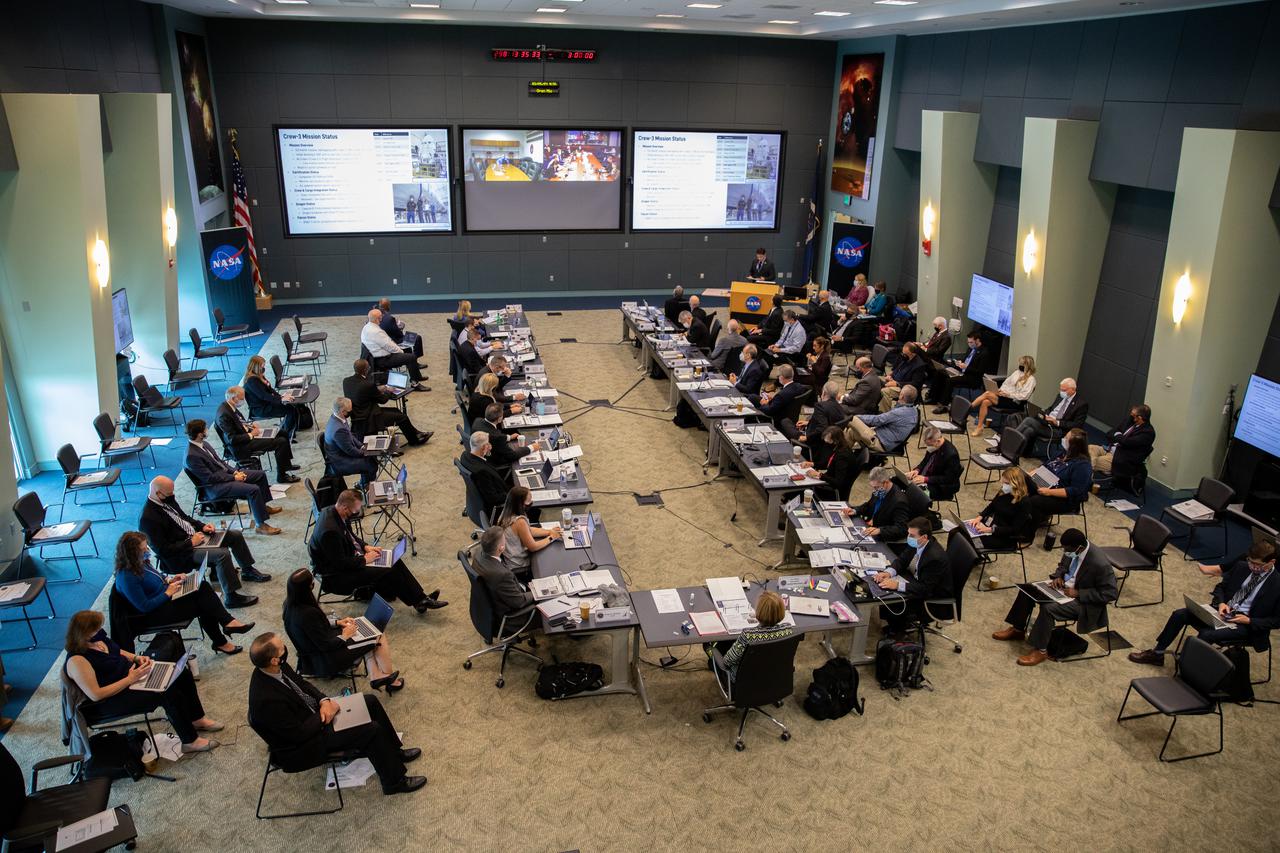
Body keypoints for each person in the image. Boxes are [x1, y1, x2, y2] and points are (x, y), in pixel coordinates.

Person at [248, 633, 425, 795]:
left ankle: (395, 751)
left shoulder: (278, 666)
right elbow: (297, 734)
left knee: (369, 701)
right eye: (282, 648)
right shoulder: (266, 700)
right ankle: (394, 782)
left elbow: (303, 685)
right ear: (273, 661)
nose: (285, 649)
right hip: (303, 745)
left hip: (314, 716)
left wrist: (324, 701)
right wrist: (324, 715)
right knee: (371, 730)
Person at [65, 611, 221, 753]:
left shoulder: (97, 639)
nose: (100, 631)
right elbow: (96, 695)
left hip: (131, 678)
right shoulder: (77, 661)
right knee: (166, 691)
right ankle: (189, 741)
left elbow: (116, 650)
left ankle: (196, 719)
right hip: (109, 699)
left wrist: (135, 657)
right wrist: (130, 679)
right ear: (83, 634)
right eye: (96, 629)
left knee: (182, 675)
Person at [1128, 541, 1279, 666]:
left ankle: (1187, 668)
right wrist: (1221, 603)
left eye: (1257, 564)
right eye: (1250, 561)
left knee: (1206, 634)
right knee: (1180, 614)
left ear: (1271, 562)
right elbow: (1221, 587)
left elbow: (1277, 621)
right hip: (1224, 611)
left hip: (1247, 625)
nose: (1252, 566)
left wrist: (1249, 620)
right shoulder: (1241, 566)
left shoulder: (1277, 584)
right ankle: (1157, 653)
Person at [992, 528, 1118, 666]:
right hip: (1063, 589)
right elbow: (1063, 566)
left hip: (1084, 602)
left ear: (1079, 548)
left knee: (1048, 609)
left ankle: (1041, 651)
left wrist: (1079, 593)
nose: (1065, 552)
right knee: (1027, 590)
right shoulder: (1073, 548)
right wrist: (1058, 576)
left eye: (1067, 550)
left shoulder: (1100, 564)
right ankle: (1017, 629)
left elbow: (1110, 593)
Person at [113, 530, 254, 654]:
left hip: (165, 597)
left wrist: (170, 579)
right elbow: (144, 606)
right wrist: (167, 593)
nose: (147, 552)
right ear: (132, 554)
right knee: (203, 603)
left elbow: (156, 576)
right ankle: (225, 633)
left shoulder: (140, 562)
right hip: (153, 613)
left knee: (203, 588)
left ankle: (225, 631)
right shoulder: (127, 577)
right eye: (143, 550)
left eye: (146, 548)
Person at [308, 490, 444, 613]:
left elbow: (351, 536)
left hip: (347, 559)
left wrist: (366, 547)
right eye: (355, 510)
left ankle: (420, 599)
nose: (357, 512)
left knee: (393, 559)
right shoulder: (329, 532)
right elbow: (340, 564)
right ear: (344, 507)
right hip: (335, 576)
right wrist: (366, 559)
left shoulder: (334, 511)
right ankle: (419, 601)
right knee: (388, 567)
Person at [139, 476, 267, 603]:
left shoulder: (166, 499)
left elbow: (185, 518)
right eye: (169, 493)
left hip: (195, 538)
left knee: (234, 535)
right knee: (221, 554)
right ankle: (231, 597)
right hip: (181, 554)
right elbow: (163, 550)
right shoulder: (148, 518)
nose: (172, 495)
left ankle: (247, 570)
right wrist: (191, 543)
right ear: (158, 493)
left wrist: (202, 526)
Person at [283, 569, 402, 691]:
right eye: (312, 584)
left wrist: (338, 622)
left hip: (314, 656)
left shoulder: (289, 604)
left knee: (365, 633)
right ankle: (389, 680)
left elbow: (314, 628)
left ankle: (376, 676)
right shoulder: (308, 614)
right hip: (329, 657)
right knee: (378, 635)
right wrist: (345, 635)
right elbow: (325, 645)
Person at [184, 419, 281, 534]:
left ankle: (262, 508)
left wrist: (234, 472)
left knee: (260, 475)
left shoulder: (203, 444)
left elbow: (220, 462)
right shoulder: (191, 456)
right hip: (214, 487)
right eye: (205, 429)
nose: (207, 430)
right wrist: (234, 478)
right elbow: (209, 478)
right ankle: (261, 525)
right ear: (200, 434)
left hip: (224, 477)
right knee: (253, 490)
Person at [873, 516, 953, 634]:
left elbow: (925, 589)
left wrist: (897, 585)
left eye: (912, 535)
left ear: (924, 537)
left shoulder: (934, 558)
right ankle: (895, 625)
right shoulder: (918, 543)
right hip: (919, 581)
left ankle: (898, 629)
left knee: (892, 598)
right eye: (908, 534)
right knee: (887, 590)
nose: (908, 538)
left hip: (933, 597)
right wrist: (888, 572)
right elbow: (902, 560)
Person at [215, 387, 299, 484]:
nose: (244, 401)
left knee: (282, 433)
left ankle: (286, 465)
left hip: (246, 435)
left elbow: (239, 423)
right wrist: (251, 434)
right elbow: (232, 439)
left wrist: (250, 426)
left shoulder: (229, 406)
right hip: (241, 446)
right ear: (234, 399)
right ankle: (282, 476)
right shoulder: (224, 415)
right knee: (281, 442)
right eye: (242, 399)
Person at [342, 359, 431, 445]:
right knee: (402, 417)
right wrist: (389, 390)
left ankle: (416, 434)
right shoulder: (368, 385)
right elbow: (383, 400)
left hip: (357, 416)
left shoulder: (346, 381)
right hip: (370, 418)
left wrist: (377, 389)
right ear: (366, 370)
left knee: (396, 411)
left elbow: (361, 391)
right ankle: (414, 440)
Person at [711, 591, 792, 677]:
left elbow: (727, 662)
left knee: (712, 646)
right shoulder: (788, 629)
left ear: (758, 612)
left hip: (745, 679)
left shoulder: (748, 635)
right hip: (775, 674)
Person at [1024, 428, 1092, 528]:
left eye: (1066, 438)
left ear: (1074, 446)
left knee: (1034, 501)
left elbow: (1075, 490)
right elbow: (1044, 466)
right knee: (1017, 481)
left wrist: (1049, 492)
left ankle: (1027, 532)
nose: (1063, 439)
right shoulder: (1062, 453)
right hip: (1046, 484)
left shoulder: (1082, 465)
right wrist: (1029, 475)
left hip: (1063, 499)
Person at [967, 468, 1037, 550]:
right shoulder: (1004, 492)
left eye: (1007, 483)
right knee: (957, 532)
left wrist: (990, 530)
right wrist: (979, 518)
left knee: (970, 542)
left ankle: (973, 559)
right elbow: (992, 506)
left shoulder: (1024, 503)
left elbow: (1014, 529)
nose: (1004, 486)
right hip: (990, 526)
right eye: (1003, 482)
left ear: (1016, 484)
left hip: (1005, 537)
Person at [472, 526, 535, 616]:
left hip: (501, 596)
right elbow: (519, 602)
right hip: (513, 613)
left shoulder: (478, 554)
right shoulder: (502, 575)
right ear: (501, 548)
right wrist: (537, 592)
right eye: (505, 541)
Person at [968, 355, 1037, 435]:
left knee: (987, 394)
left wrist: (1008, 395)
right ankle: (979, 427)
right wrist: (1001, 390)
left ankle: (968, 408)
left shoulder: (1031, 379)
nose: (1019, 365)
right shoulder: (1016, 373)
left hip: (1015, 402)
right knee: (985, 402)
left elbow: (1024, 396)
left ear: (1027, 365)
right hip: (1005, 398)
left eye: (1021, 364)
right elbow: (1006, 384)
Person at [496, 487, 557, 577]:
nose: (531, 503)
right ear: (521, 504)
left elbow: (528, 530)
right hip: (520, 566)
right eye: (529, 502)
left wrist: (549, 532)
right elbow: (533, 547)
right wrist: (552, 538)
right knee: (552, 559)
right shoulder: (519, 522)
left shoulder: (506, 513)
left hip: (509, 560)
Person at [1014, 378, 1088, 451]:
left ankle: (1009, 442)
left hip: (1058, 430)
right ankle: (1021, 452)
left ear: (1073, 389)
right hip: (1047, 422)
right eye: (1061, 389)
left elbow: (1077, 425)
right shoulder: (1060, 396)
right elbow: (1051, 409)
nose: (1061, 392)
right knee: (1029, 430)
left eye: (1064, 390)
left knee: (1028, 421)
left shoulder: (1081, 404)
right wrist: (1044, 414)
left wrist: (1057, 422)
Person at [362, 309, 428, 390]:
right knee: (411, 357)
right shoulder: (376, 332)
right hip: (383, 359)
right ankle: (415, 383)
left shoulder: (366, 327)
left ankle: (417, 377)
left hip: (374, 357)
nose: (382, 318)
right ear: (377, 319)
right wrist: (401, 352)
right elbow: (389, 346)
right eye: (380, 317)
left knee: (408, 352)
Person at [242, 355, 302, 442]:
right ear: (256, 367)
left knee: (290, 405)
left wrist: (282, 397)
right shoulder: (252, 381)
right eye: (262, 366)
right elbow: (263, 396)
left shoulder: (258, 376)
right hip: (260, 409)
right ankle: (286, 435)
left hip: (267, 403)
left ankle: (287, 429)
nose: (263, 368)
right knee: (290, 410)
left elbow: (270, 390)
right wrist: (280, 400)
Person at [1089, 404, 1155, 479]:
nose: (1131, 416)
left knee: (1090, 461)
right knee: (1089, 448)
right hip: (1110, 449)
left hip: (1120, 459)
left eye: (1133, 415)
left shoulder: (1148, 433)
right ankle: (1088, 476)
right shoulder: (1130, 421)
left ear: (1139, 418)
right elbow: (1110, 433)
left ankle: (1086, 479)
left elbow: (1126, 442)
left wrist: (1117, 435)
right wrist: (1119, 436)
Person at [846, 386, 918, 453]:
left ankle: (842, 455)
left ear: (901, 396)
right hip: (888, 440)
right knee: (852, 430)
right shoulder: (914, 411)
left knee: (851, 420)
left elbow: (877, 420)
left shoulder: (899, 412)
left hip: (881, 443)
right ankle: (843, 454)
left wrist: (857, 417)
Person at [799, 426, 864, 501]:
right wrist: (812, 464)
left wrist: (819, 475)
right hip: (828, 478)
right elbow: (831, 463)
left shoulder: (842, 457)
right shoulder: (841, 447)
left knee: (801, 489)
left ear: (835, 441)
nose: (826, 443)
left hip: (832, 488)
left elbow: (838, 482)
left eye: (828, 441)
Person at [847, 466, 911, 542]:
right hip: (870, 527)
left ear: (886, 482)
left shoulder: (899, 501)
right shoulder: (880, 490)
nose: (874, 490)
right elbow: (869, 506)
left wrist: (880, 530)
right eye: (873, 487)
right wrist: (855, 510)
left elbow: (902, 529)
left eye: (876, 487)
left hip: (882, 536)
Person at [929, 330, 987, 413]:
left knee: (950, 381)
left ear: (977, 340)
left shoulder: (984, 353)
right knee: (940, 372)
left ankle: (944, 405)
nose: (969, 344)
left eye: (971, 342)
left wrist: (966, 367)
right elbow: (965, 360)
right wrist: (959, 363)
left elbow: (979, 372)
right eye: (968, 342)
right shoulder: (970, 349)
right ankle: (933, 398)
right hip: (962, 371)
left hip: (972, 378)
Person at [324, 398, 378, 487]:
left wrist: (362, 447)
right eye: (349, 410)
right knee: (371, 463)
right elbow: (350, 450)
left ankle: (364, 484)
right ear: (342, 411)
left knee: (370, 457)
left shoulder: (337, 418)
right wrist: (366, 453)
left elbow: (350, 435)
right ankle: (367, 487)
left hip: (341, 453)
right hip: (340, 461)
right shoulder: (338, 430)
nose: (351, 411)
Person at [460, 432, 510, 518]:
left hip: (478, 499)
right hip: (497, 508)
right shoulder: (482, 472)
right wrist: (513, 496)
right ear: (484, 447)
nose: (490, 446)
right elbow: (494, 499)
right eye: (488, 444)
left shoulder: (465, 455)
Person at [907, 426, 962, 501]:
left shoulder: (951, 455)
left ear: (938, 441)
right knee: (900, 481)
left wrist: (926, 479)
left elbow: (948, 479)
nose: (928, 447)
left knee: (912, 493)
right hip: (928, 477)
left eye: (929, 445)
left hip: (940, 487)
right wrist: (917, 470)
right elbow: (925, 461)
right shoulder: (934, 445)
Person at [796, 381, 846, 460]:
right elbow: (830, 424)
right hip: (829, 448)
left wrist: (807, 437)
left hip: (814, 446)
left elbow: (822, 428)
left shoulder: (820, 406)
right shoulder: (839, 408)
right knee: (807, 419)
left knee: (785, 423)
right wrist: (809, 423)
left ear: (824, 393)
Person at [474, 404, 534, 469]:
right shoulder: (497, 436)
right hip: (494, 461)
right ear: (499, 419)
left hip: (480, 456)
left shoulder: (478, 421)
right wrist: (531, 448)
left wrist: (509, 437)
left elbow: (494, 435)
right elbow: (512, 456)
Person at [881, 342, 930, 410]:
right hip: (895, 380)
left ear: (913, 354)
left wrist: (897, 384)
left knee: (885, 391)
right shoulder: (904, 357)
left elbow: (916, 384)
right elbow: (896, 368)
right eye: (903, 352)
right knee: (877, 383)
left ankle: (885, 415)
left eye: (906, 354)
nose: (903, 355)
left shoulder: (919, 365)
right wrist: (891, 375)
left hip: (905, 388)